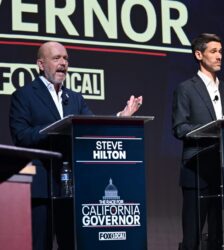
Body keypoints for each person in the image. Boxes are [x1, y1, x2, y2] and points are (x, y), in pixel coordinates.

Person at [9, 41, 143, 250]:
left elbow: (91, 128)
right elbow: (21, 136)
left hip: (72, 187)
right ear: (41, 64)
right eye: (56, 58)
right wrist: (55, 129)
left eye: (66, 59)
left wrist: (121, 116)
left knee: (72, 244)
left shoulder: (75, 98)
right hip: (43, 186)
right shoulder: (24, 95)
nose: (63, 63)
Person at [172, 33, 224, 250]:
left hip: (223, 173)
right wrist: (210, 130)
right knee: (193, 236)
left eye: (220, 52)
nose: (219, 56)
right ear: (199, 54)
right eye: (213, 51)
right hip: (196, 171)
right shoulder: (186, 88)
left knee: (220, 236)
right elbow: (180, 128)